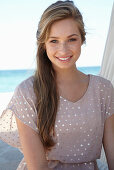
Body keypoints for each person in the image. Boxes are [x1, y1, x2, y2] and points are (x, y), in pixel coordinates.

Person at [0, 1, 114, 170]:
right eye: (54, 40)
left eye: (72, 39)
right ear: (43, 44)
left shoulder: (103, 89)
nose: (63, 49)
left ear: (82, 39)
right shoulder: (27, 92)